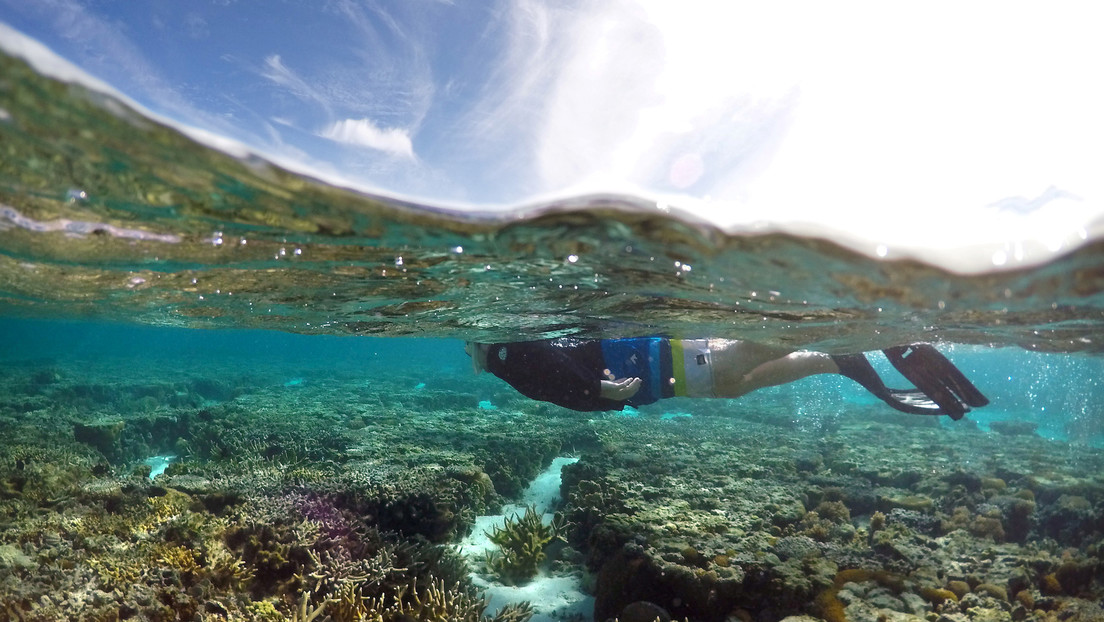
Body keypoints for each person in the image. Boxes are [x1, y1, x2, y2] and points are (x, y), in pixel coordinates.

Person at [464, 338, 988, 420]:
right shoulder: (508, 359)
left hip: (667, 365)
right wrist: (593, 388)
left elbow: (554, 373)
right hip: (672, 379)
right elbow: (560, 379)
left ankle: (868, 336)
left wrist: (594, 387)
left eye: (470, 346)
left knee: (747, 358)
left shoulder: (511, 353)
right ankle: (843, 358)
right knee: (742, 378)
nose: (468, 352)